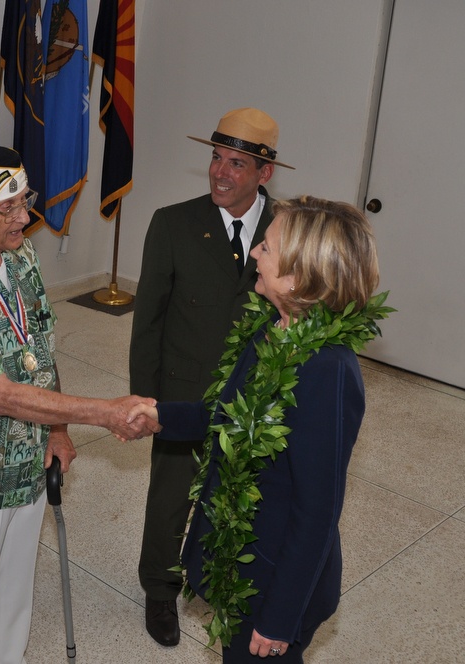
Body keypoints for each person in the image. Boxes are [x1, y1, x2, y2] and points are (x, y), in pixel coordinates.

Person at [0, 144, 159, 663]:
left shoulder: (20, 258)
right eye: (9, 208)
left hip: (30, 452)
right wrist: (105, 412)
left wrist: (60, 430)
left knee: (16, 581)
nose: (25, 217)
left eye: (26, 200)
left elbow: (39, 349)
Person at [129, 196, 388, 662]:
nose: (253, 254)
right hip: (241, 562)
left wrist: (280, 617)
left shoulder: (327, 371)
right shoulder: (271, 326)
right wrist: (160, 414)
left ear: (296, 276)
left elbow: (317, 512)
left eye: (266, 248)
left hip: (272, 583)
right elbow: (228, 414)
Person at [129, 107, 294, 646]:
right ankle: (159, 587)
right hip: (183, 389)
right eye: (216, 158)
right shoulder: (173, 223)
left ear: (264, 174)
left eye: (238, 164)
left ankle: (220, 580)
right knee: (171, 495)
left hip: (256, 397)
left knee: (244, 495)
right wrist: (144, 398)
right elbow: (148, 319)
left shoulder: (288, 230)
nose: (220, 172)